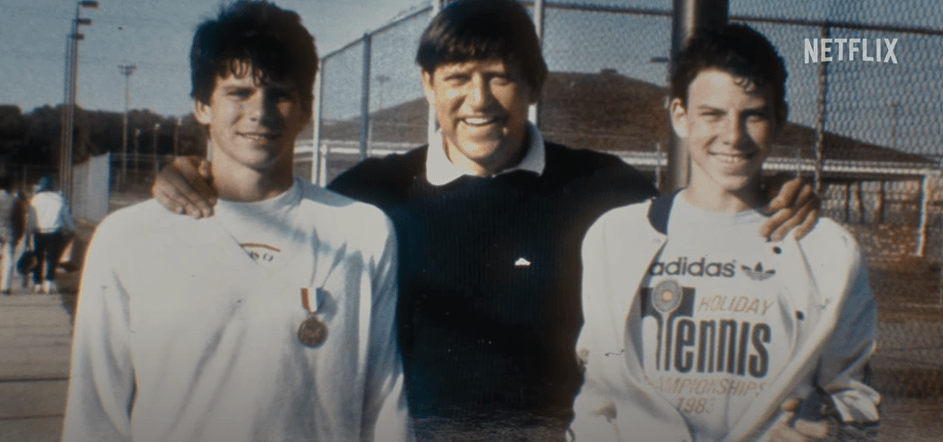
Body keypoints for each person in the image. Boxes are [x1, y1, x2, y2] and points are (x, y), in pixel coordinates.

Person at [151, 0, 817, 439]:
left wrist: (774, 198)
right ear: (426, 85)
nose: (479, 100)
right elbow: (268, 220)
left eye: (500, 77)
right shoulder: (367, 194)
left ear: (533, 86)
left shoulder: (606, 188)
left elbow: (707, 220)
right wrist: (193, 175)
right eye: (458, 77)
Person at [61, 2, 408, 441]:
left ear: (305, 110)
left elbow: (384, 403)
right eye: (239, 92)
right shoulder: (127, 237)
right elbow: (95, 416)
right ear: (202, 106)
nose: (260, 112)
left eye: (280, 93)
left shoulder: (362, 231)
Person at [571, 24, 880, 442]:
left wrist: (833, 431)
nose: (733, 136)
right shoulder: (615, 238)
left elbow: (857, 402)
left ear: (780, 118)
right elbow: (599, 396)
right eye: (712, 114)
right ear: (680, 115)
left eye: (753, 114)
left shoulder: (830, 251)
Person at [26, 176, 75, 294]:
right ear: (52, 187)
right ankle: (48, 282)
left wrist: (28, 233)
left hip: (38, 232)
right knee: (52, 258)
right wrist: (72, 228)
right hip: (55, 232)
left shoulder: (35, 199)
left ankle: (37, 283)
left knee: (38, 258)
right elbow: (65, 216)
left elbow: (31, 218)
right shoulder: (59, 199)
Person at [0, 176, 26, 294]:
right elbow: (21, 220)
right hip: (10, 232)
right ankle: (5, 286)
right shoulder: (15, 201)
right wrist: (20, 234)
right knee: (9, 258)